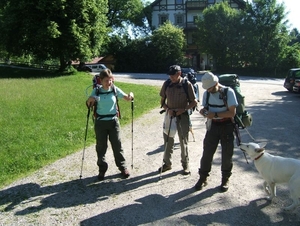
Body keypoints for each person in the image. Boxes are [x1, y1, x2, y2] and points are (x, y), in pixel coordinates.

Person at [86, 69, 134, 181]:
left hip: (113, 122)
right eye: (106, 80)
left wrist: (131, 95)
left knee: (117, 146)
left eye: (110, 80)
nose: (109, 82)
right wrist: (90, 99)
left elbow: (126, 97)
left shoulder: (114, 89)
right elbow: (89, 103)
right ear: (101, 81)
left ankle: (123, 167)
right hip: (100, 123)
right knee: (101, 147)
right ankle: (102, 169)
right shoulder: (96, 91)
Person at [195, 72, 238, 192]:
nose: (208, 90)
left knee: (227, 154)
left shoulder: (228, 92)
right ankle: (202, 178)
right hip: (212, 126)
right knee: (207, 153)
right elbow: (205, 108)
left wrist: (215, 114)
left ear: (216, 84)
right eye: (206, 88)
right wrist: (203, 112)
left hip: (227, 125)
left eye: (210, 88)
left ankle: (225, 179)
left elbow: (231, 113)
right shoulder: (207, 93)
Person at [159, 65, 197, 175]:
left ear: (179, 74)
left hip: (183, 116)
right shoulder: (166, 84)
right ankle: (167, 164)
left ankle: (185, 165)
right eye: (170, 75)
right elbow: (162, 101)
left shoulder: (186, 84)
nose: (171, 77)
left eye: (173, 75)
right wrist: (167, 109)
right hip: (169, 115)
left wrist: (184, 109)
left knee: (183, 141)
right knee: (167, 140)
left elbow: (194, 102)